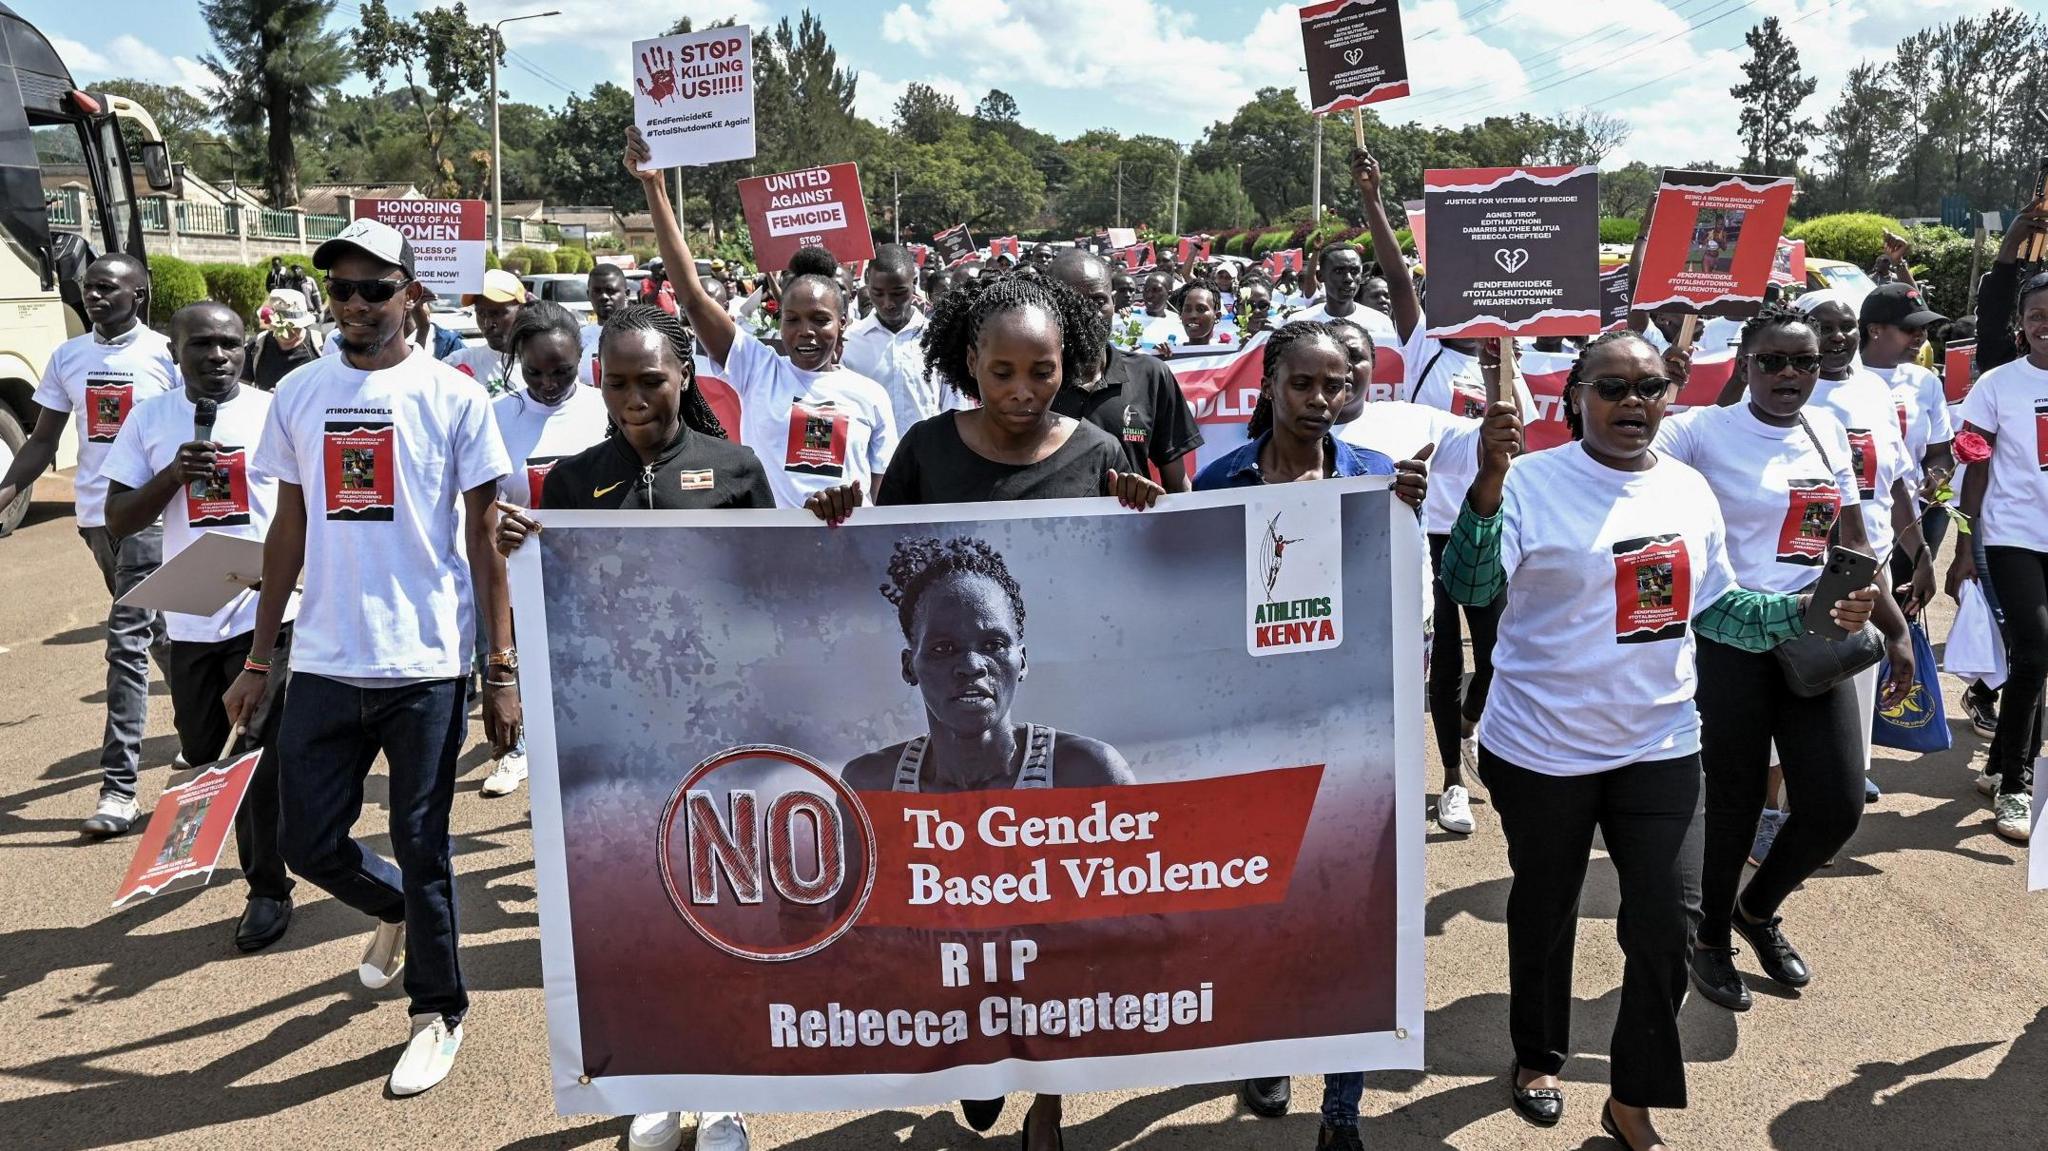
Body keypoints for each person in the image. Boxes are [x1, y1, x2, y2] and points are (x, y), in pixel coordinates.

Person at [1441, 329, 1879, 1151]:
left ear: (1670, 396)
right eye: (1612, 387)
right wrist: (1488, 485)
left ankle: (1631, 1098)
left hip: (1661, 743)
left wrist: (1810, 611)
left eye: (1649, 388)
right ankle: (1537, 1055)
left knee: (1669, 925)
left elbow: (1719, 610)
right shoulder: (1532, 481)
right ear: (1575, 397)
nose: (1633, 403)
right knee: (1546, 909)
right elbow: (1471, 584)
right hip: (1543, 748)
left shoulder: (1687, 488)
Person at [801, 266, 1161, 1151]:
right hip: (950, 771)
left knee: (1057, 928)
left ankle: (1048, 1098)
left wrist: (1151, 511)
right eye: (1003, 372)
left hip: (1036, 756)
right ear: (972, 362)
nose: (1024, 391)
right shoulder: (927, 447)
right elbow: (874, 552)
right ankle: (977, 1059)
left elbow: (1158, 553)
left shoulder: (1098, 455)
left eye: (1042, 371)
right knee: (955, 929)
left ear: (1067, 364)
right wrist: (839, 511)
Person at [221, 217, 516, 1098]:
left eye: (373, 288)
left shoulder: (455, 396)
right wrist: (261, 656)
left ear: (411, 295)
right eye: (339, 289)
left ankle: (438, 1009)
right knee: (304, 840)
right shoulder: (299, 393)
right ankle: (396, 912)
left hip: (424, 663)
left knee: (423, 842)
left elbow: (486, 535)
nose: (353, 304)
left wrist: (497, 669)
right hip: (324, 657)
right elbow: (289, 527)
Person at [493, 301, 771, 1151]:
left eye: (650, 379)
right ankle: (655, 1082)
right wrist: (519, 551)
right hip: (621, 734)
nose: (633, 397)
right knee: (641, 915)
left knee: (730, 916)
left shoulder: (736, 465)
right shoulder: (573, 480)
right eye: (615, 382)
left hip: (722, 729)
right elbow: (562, 604)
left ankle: (727, 1092)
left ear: (684, 376)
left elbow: (772, 585)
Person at [1197, 318, 1425, 1148]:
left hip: (1355, 737)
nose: (1322, 400)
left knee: (1352, 918)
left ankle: (1341, 1110)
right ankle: (1270, 1042)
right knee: (1262, 907)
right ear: (1269, 384)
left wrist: (1413, 520)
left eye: (1337, 385)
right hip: (1251, 735)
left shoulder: (1379, 480)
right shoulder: (1219, 479)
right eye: (1304, 383)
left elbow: (1406, 602)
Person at [1655, 304, 1914, 1012]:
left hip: (1814, 633)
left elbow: (1854, 537)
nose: (1790, 373)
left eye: (1803, 361)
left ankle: (1757, 907)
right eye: (1773, 360)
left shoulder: (1826, 430)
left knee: (1834, 804)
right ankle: (1710, 936)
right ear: (1745, 361)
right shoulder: (1702, 430)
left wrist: (1895, 631)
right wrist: (1666, 376)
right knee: (1734, 802)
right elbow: (1635, 448)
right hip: (1727, 638)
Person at [102, 302, 298, 950]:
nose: (217, 356)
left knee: (254, 757)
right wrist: (172, 476)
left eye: (231, 345)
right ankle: (255, 838)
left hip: (269, 614)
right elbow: (120, 519)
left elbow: (309, 510)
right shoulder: (149, 419)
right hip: (190, 620)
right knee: (203, 745)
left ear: (247, 348)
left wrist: (292, 572)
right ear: (174, 353)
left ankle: (268, 889)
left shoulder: (275, 411)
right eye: (202, 346)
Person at [0, 253, 180, 835]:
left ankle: (118, 789)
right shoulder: (68, 358)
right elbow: (41, 441)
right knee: (157, 630)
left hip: (150, 514)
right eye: (88, 288)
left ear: (139, 294)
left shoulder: (163, 354)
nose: (95, 297)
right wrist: (3, 493)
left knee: (125, 638)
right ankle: (204, 719)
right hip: (96, 518)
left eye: (107, 288)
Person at [628, 128, 896, 510]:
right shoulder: (758, 369)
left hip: (849, 560)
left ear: (843, 323)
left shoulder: (871, 396)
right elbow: (691, 294)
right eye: (792, 319)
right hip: (770, 556)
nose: (805, 332)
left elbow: (885, 501)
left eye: (820, 319)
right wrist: (654, 186)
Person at [1793, 290, 1929, 803]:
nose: (1836, 338)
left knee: (1862, 673)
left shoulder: (1875, 389)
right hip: (1803, 564)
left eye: (1845, 326)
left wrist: (1918, 552)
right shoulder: (1785, 390)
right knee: (1808, 679)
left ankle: (1849, 775)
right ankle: (1791, 800)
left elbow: (1894, 482)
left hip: (1871, 558)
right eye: (1822, 327)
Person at [476, 300, 609, 799]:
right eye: (534, 371)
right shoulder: (495, 417)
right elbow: (482, 508)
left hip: (598, 582)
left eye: (562, 371)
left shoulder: (605, 409)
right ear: (516, 359)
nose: (549, 383)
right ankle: (520, 752)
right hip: (524, 579)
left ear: (581, 357)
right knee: (532, 680)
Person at [1947, 271, 2048, 843]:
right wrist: (1964, 545)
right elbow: (1974, 471)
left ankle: (1994, 767)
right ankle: (2015, 783)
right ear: (2022, 323)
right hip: (2012, 538)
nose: (2046, 326)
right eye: (2038, 316)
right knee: (2034, 652)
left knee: (2041, 659)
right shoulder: (1996, 386)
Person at [1047, 249, 1204, 492]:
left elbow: (1177, 485)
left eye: (1098, 301)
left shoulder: (1152, 376)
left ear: (1113, 301)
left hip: (1134, 529)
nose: (1088, 314)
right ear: (1049, 306)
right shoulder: (1031, 386)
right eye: (1073, 302)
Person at [1857, 283, 1956, 596]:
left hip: (1911, 519)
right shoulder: (1841, 378)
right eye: (1909, 329)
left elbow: (1940, 451)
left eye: (1924, 329)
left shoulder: (1925, 382)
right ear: (1874, 330)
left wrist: (1938, 474)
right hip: (1857, 521)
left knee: (1904, 607)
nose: (1921, 337)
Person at [842, 244, 958, 437]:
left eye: (898, 293)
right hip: (870, 461)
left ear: (914, 283)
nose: (888, 304)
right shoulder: (849, 342)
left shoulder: (939, 338)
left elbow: (953, 410)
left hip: (928, 459)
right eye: (878, 293)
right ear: (867, 284)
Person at [448, 268, 529, 395]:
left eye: (497, 313)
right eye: (480, 313)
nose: (487, 323)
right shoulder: (458, 362)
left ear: (522, 310)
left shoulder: (548, 365)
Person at [246, 289, 323, 390]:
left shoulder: (321, 347)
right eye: (282, 325)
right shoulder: (256, 346)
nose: (288, 330)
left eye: (293, 325)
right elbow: (243, 388)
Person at [578, 261, 635, 386]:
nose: (603, 297)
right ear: (588, 295)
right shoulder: (578, 339)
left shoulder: (641, 335)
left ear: (627, 294)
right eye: (597, 291)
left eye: (611, 291)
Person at [1136, 271, 1186, 347]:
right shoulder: (1131, 316)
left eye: (1156, 290)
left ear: (1169, 294)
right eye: (1146, 290)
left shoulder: (1177, 321)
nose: (1149, 295)